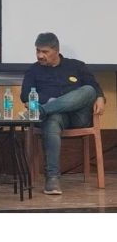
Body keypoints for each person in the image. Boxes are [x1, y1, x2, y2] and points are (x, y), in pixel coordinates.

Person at [21, 32, 105, 195]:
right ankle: (52, 178)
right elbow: (25, 96)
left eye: (45, 52)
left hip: (78, 116)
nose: (40, 55)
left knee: (88, 90)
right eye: (38, 51)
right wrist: (50, 103)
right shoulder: (33, 70)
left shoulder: (76, 66)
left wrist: (100, 97)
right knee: (52, 119)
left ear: (56, 50)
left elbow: (93, 87)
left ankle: (42, 111)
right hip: (56, 118)